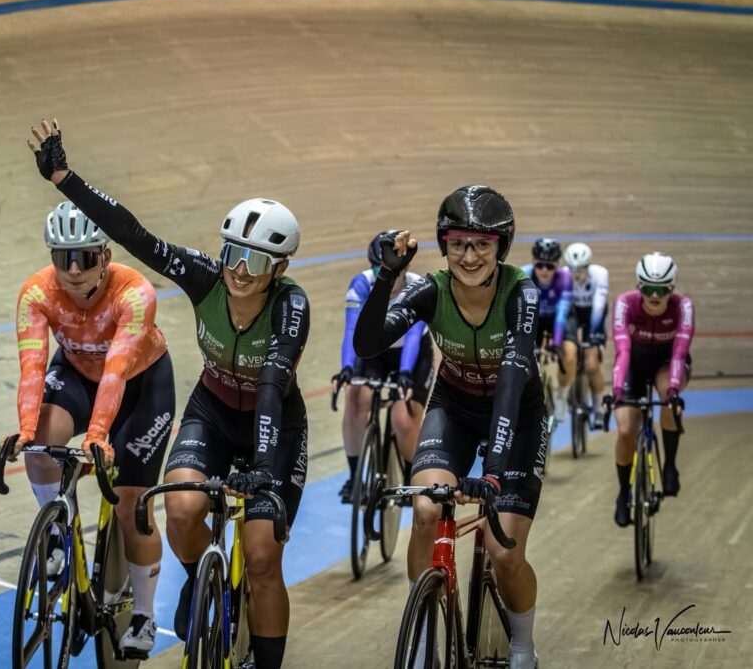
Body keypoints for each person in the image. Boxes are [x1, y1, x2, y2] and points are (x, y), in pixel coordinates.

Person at [28, 118, 309, 669]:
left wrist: (264, 469)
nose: (240, 271)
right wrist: (65, 178)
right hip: (212, 411)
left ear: (279, 269)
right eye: (233, 254)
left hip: (274, 426)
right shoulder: (207, 278)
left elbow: (274, 385)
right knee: (180, 509)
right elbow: (136, 236)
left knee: (260, 556)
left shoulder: (290, 307)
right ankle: (200, 582)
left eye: (255, 262)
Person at [354, 186, 545, 669]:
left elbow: (510, 383)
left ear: (500, 247)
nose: (469, 255)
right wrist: (385, 278)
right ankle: (424, 631)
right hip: (454, 407)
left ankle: (522, 644)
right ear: (444, 246)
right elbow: (369, 342)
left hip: (516, 413)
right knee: (425, 510)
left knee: (505, 556)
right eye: (459, 243)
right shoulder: (430, 289)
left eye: (482, 244)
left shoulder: (519, 292)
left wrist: (494, 473)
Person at [7, 199, 175, 654]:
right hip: (79, 374)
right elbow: (32, 369)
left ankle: (144, 615)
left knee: (130, 505)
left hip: (141, 387)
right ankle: (61, 534)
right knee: (41, 442)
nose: (74, 270)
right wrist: (26, 430)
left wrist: (98, 435)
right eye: (64, 258)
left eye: (84, 257)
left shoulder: (135, 293)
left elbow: (117, 373)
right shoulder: (37, 293)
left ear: (106, 255)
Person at [333, 230, 434, 503]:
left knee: (403, 415)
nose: (383, 273)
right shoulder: (361, 285)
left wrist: (403, 374)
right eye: (377, 267)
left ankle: (410, 475)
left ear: (405, 267)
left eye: (389, 268)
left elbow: (413, 336)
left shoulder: (419, 287)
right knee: (355, 398)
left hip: (412, 356)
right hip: (375, 353)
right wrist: (347, 369)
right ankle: (355, 477)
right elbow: (352, 330)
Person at [610, 252, 693, 525]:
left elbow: (680, 352)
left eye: (661, 290)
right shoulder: (625, 303)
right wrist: (618, 391)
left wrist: (672, 391)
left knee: (669, 401)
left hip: (667, 363)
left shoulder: (683, 307)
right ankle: (624, 493)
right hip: (633, 363)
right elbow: (622, 351)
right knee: (624, 429)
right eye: (648, 288)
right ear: (639, 286)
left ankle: (670, 465)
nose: (654, 296)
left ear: (671, 288)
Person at [522, 238, 573, 421]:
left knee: (569, 353)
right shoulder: (524, 275)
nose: (544, 270)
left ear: (557, 265)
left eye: (549, 267)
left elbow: (562, 314)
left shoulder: (565, 277)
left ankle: (562, 396)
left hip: (557, 318)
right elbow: (519, 313)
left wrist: (557, 343)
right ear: (534, 263)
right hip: (534, 317)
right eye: (540, 265)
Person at [562, 242, 609, 428]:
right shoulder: (563, 275)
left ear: (588, 266)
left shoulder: (600, 274)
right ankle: (566, 397)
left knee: (591, 364)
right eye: (573, 269)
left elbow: (598, 306)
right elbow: (562, 305)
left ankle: (598, 409)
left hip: (593, 313)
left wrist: (592, 339)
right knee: (567, 352)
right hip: (572, 312)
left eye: (581, 269)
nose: (576, 274)